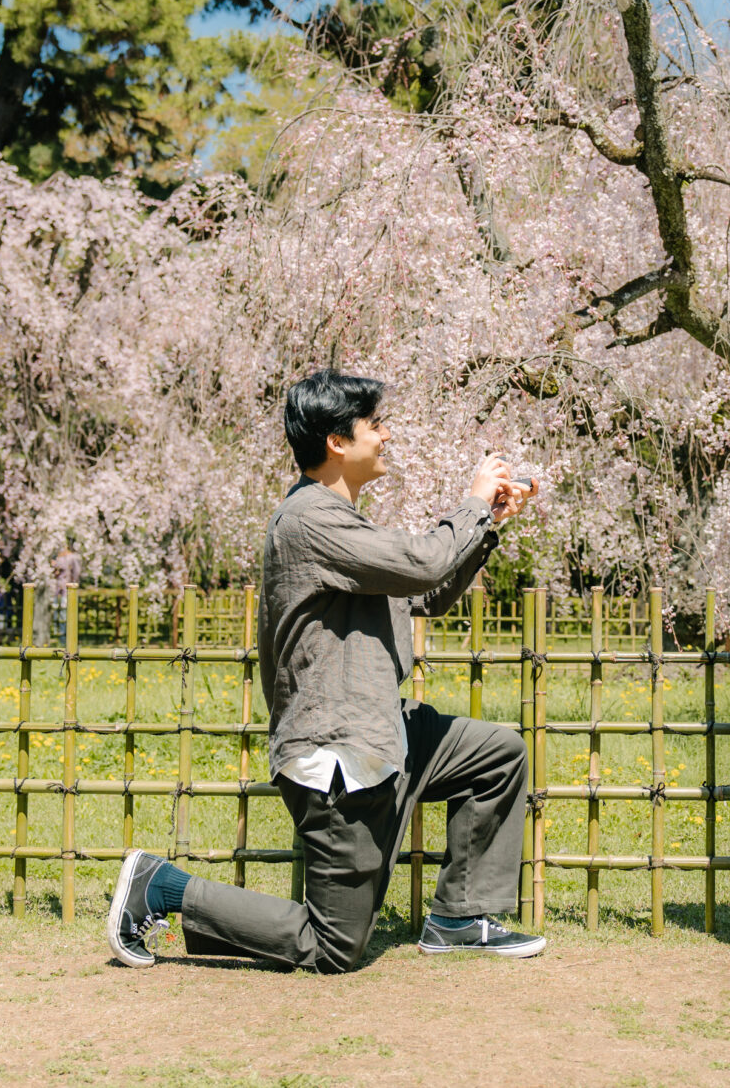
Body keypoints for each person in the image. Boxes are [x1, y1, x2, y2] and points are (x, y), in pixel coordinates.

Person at [105, 368, 543, 972]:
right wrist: (470, 502)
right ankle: (163, 887)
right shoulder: (311, 521)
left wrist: (487, 523)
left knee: (496, 755)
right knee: (336, 946)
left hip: (381, 728)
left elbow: (427, 594)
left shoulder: (347, 526)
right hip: (339, 747)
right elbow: (421, 565)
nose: (385, 436)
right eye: (375, 424)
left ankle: (460, 917)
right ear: (337, 441)